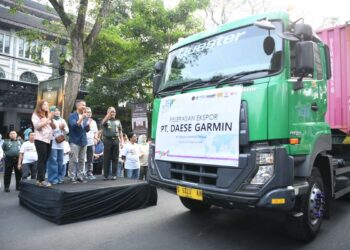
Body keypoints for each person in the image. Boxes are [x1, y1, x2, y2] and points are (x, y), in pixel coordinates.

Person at [32, 100, 56, 187]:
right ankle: (41, 180)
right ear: (40, 106)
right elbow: (37, 127)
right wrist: (48, 118)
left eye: (47, 104)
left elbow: (54, 127)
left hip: (49, 139)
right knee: (42, 159)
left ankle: (39, 179)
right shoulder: (35, 115)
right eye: (45, 104)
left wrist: (51, 119)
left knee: (45, 160)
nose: (47, 106)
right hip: (40, 139)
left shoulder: (47, 115)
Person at [68, 100, 90, 183]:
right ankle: (72, 176)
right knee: (73, 160)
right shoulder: (72, 116)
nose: (84, 106)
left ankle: (80, 176)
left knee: (82, 160)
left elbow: (86, 130)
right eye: (83, 105)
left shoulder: (85, 117)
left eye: (85, 105)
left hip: (83, 141)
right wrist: (82, 118)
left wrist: (88, 125)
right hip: (74, 141)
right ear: (77, 106)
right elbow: (73, 126)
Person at [47, 106, 69, 184]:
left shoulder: (62, 120)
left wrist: (63, 128)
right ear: (51, 112)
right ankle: (53, 178)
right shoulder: (49, 120)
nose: (57, 112)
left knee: (60, 160)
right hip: (53, 142)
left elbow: (67, 131)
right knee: (53, 160)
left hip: (61, 143)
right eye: (55, 110)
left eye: (58, 110)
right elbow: (48, 131)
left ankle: (60, 177)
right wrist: (57, 128)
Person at [101, 106, 123, 180]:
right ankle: (106, 175)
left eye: (114, 112)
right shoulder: (106, 120)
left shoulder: (118, 121)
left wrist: (122, 141)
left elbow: (120, 131)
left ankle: (114, 174)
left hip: (116, 140)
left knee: (115, 158)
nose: (113, 113)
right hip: (108, 140)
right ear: (108, 113)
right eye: (111, 112)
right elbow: (103, 123)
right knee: (107, 158)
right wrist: (108, 115)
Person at [85, 107, 98, 180]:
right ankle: (82, 174)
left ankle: (89, 173)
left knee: (90, 159)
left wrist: (96, 138)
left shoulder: (94, 122)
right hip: (83, 142)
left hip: (91, 142)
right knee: (82, 159)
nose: (89, 113)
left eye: (90, 112)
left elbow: (95, 132)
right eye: (87, 112)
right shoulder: (82, 120)